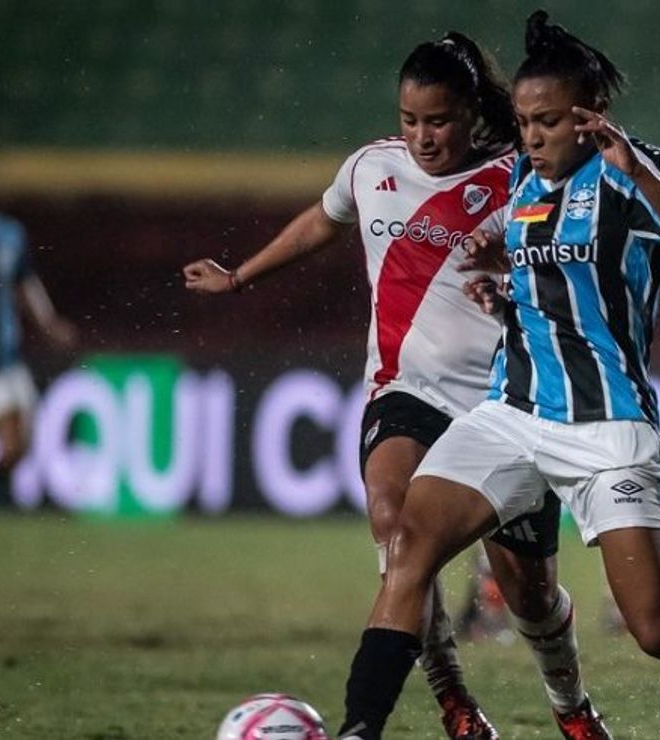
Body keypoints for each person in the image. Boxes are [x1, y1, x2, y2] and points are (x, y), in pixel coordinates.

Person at [335, 11, 660, 740]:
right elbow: (525, 252)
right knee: (408, 545)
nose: (531, 136)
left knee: (657, 627)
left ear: (592, 117)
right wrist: (501, 278)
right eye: (525, 120)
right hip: (512, 414)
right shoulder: (525, 175)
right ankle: (359, 729)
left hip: (605, 425)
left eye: (549, 121)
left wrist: (637, 172)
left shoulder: (634, 174)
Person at [183, 32, 608, 740]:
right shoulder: (370, 167)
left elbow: (567, 268)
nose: (421, 137)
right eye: (410, 120)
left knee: (531, 597)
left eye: (437, 120)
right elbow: (324, 220)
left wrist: (510, 294)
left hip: (505, 404)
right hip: (405, 391)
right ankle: (452, 700)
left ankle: (571, 708)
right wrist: (239, 276)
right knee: (394, 524)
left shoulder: (522, 177)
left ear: (472, 111)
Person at [0, 167, 77, 512]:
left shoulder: (11, 234)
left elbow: (25, 282)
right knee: (11, 445)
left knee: (23, 445)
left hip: (8, 352)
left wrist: (48, 322)